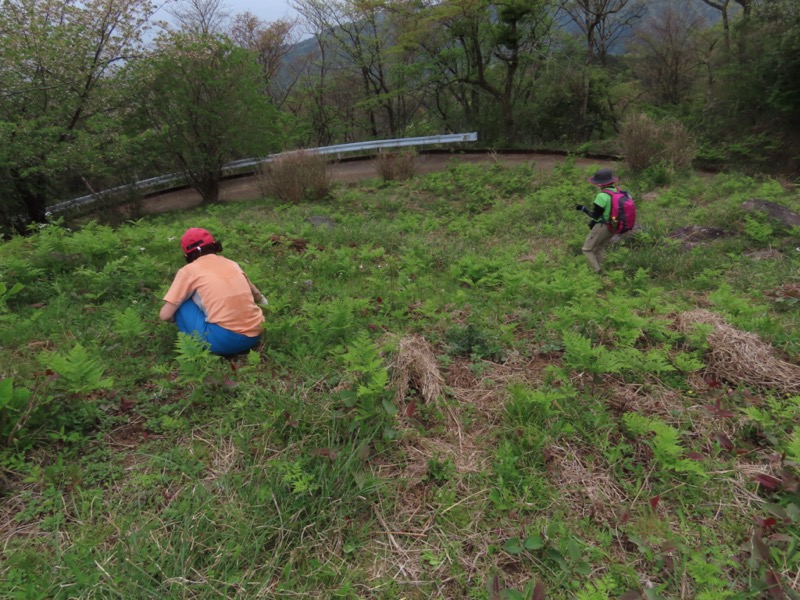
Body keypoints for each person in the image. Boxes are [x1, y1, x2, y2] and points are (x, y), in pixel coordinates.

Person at [160, 227, 267, 355]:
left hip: (226, 343)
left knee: (181, 303)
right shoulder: (232, 264)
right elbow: (257, 295)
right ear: (214, 245)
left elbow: (165, 315)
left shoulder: (188, 271)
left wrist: (179, 317)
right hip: (256, 334)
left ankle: (191, 348)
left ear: (186, 255)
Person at [575, 168, 620, 274]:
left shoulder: (602, 196)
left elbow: (595, 216)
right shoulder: (617, 192)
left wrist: (583, 209)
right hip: (614, 225)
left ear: (600, 184)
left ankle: (598, 271)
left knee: (587, 249)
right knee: (599, 247)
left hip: (603, 226)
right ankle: (603, 269)